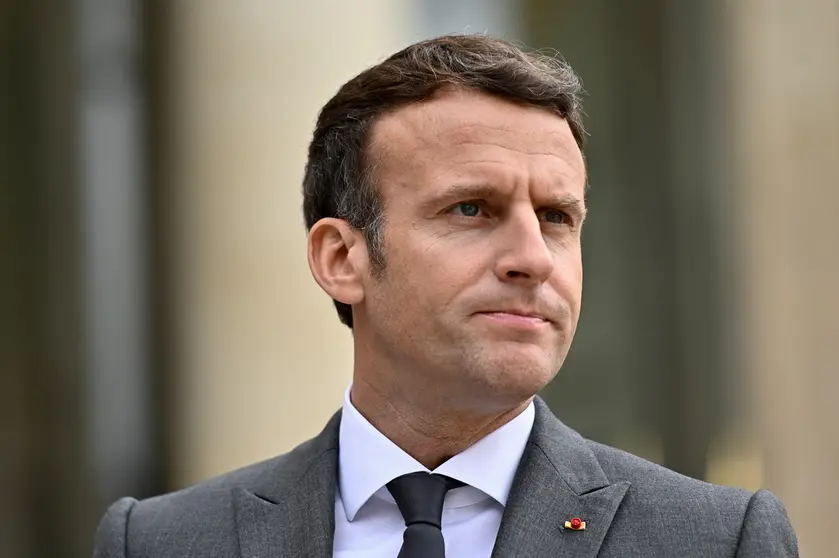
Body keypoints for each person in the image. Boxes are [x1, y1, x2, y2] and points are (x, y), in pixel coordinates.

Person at [93, 34, 798, 557]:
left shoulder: (715, 540)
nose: (531, 259)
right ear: (342, 258)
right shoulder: (161, 542)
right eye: (471, 209)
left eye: (556, 218)